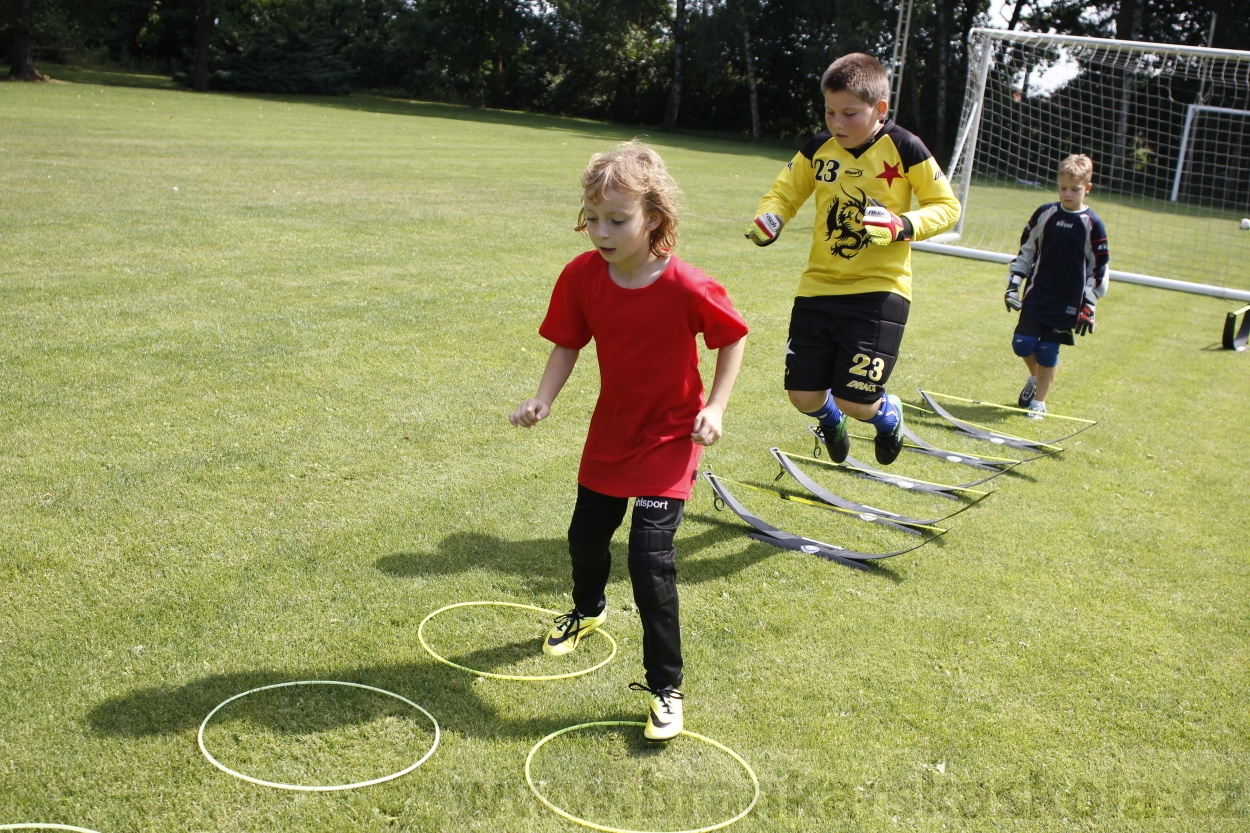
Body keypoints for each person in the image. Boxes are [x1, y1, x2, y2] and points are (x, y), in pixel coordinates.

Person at [509, 141, 748, 742]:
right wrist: (543, 399)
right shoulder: (581, 276)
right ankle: (588, 610)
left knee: (649, 559)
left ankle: (666, 687)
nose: (601, 232)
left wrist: (715, 408)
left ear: (654, 218)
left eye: (617, 220)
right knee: (585, 538)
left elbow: (732, 338)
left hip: (671, 437)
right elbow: (568, 341)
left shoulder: (688, 285)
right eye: (593, 218)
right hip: (612, 432)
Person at [746, 52, 959, 466]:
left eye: (849, 114)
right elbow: (784, 193)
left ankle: (888, 416)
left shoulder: (905, 147)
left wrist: (902, 224)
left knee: (856, 400)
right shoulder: (818, 148)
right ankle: (831, 420)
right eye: (829, 112)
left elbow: (947, 207)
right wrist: (771, 217)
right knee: (803, 396)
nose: (837, 123)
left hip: (879, 291)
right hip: (818, 288)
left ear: (880, 108)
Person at [1004, 153, 1109, 418]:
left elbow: (1099, 268)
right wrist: (1014, 283)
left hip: (1068, 302)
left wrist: (1089, 304)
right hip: (1037, 294)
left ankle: (1039, 403)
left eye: (1075, 189)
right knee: (1022, 344)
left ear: (1088, 188)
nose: (1067, 194)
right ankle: (1036, 377)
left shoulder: (1092, 224)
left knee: (1049, 350)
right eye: (1063, 188)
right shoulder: (1045, 214)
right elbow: (1026, 251)